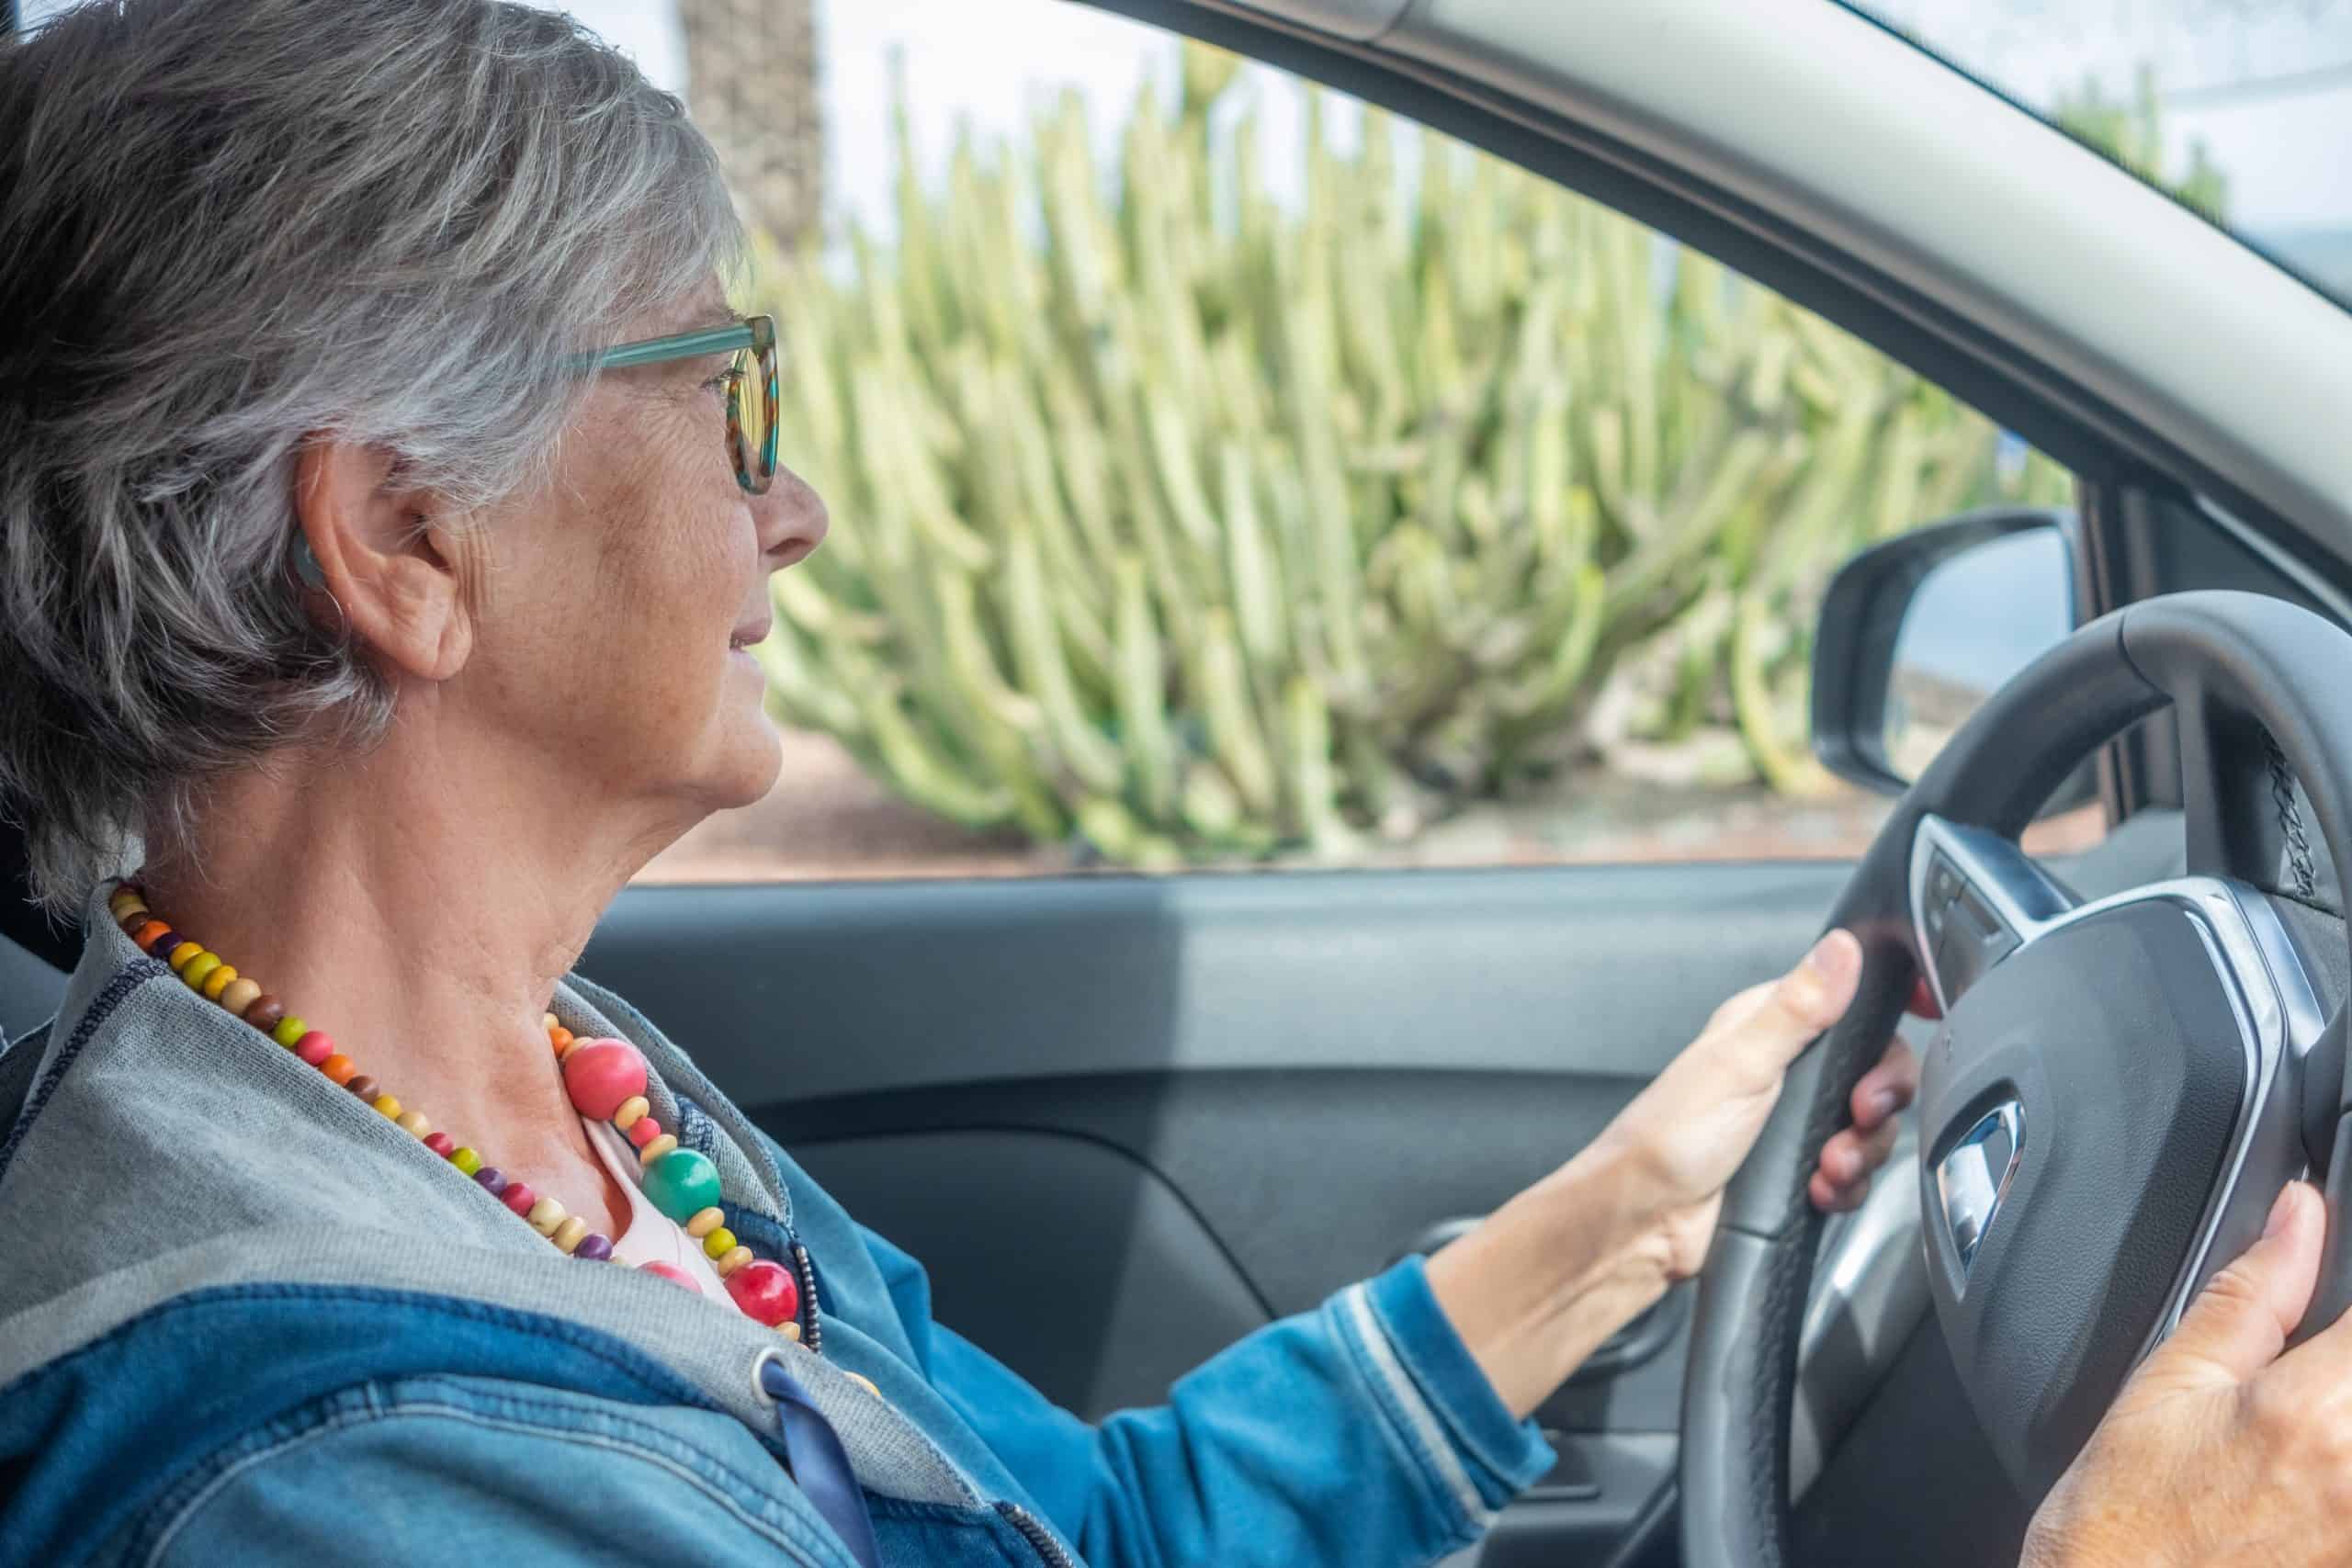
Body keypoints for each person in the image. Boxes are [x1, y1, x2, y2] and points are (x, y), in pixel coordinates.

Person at [0, 3, 2342, 1565]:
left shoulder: (547, 1108)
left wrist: (1629, 1210)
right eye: (728, 397)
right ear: (404, 539)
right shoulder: (341, 1467)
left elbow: (1077, 1533)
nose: (786, 507)